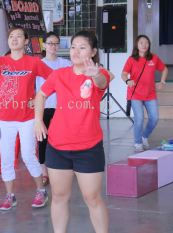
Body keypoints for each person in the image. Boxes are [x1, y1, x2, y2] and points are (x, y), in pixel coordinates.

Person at [35, 30, 110, 233]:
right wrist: (38, 121)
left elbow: (102, 83)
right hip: (58, 146)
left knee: (92, 198)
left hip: (89, 147)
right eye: (73, 46)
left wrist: (96, 76)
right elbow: (40, 95)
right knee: (59, 196)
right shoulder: (59, 75)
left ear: (93, 52)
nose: (76, 51)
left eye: (82, 47)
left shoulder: (100, 74)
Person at [0, 26, 53, 211]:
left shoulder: (34, 62)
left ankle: (41, 190)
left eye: (18, 36)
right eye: (11, 36)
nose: (14, 39)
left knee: (27, 155)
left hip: (26, 118)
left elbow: (53, 78)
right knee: (6, 157)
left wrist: (40, 97)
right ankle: (10, 195)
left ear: (26, 41)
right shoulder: (2, 61)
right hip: (4, 119)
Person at [36, 31, 72, 186]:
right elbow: (35, 88)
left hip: (62, 109)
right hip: (44, 108)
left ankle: (63, 169)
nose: (53, 46)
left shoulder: (65, 63)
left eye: (56, 43)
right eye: (50, 43)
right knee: (43, 141)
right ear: (44, 45)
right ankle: (44, 173)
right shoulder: (38, 64)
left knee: (63, 140)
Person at [121, 35, 168, 151]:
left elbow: (165, 69)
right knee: (140, 118)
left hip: (150, 94)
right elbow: (123, 73)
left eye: (146, 42)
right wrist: (128, 80)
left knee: (155, 118)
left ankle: (144, 136)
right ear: (137, 45)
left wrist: (162, 81)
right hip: (135, 94)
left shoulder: (154, 58)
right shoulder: (131, 59)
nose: (144, 45)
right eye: (141, 42)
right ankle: (137, 142)